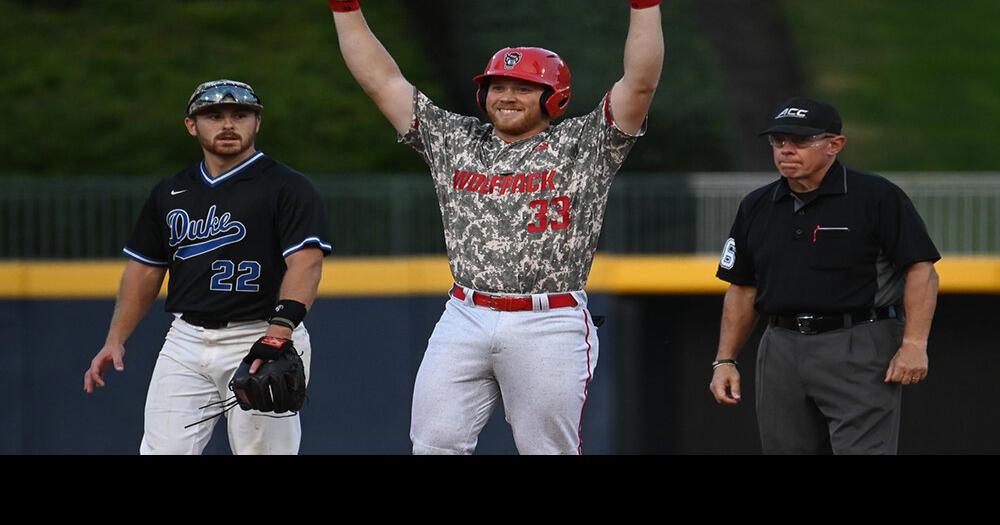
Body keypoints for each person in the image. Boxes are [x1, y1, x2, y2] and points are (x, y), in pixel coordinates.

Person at [327, 0, 663, 454]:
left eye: (524, 87)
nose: (506, 95)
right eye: (497, 85)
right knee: (433, 443)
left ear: (554, 97)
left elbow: (639, 84)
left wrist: (645, 7)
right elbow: (383, 81)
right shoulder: (455, 139)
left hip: (548, 320)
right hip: (465, 313)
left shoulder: (585, 143)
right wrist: (344, 9)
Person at [83, 79, 332, 454]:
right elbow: (145, 270)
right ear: (191, 125)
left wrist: (279, 333)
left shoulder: (288, 187)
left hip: (260, 335)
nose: (228, 124)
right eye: (214, 115)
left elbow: (306, 263)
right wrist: (115, 338)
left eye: (240, 114)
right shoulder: (170, 192)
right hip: (186, 339)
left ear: (258, 123)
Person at [710, 96, 940, 454]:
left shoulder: (875, 196)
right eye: (778, 141)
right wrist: (725, 359)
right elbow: (742, 288)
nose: (786, 150)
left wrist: (914, 345)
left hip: (859, 339)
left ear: (835, 145)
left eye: (799, 141)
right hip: (781, 344)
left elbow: (921, 270)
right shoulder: (756, 205)